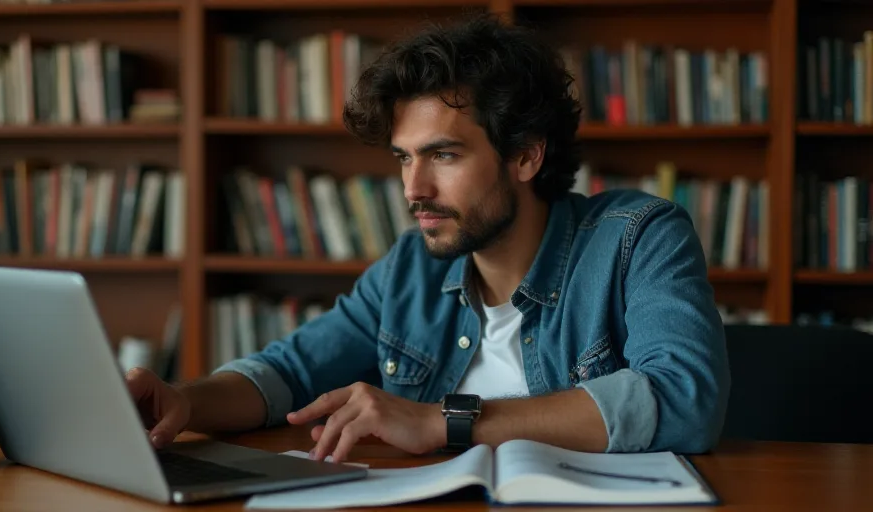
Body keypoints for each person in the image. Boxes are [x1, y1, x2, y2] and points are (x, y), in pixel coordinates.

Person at [125, 13, 730, 463]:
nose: (414, 188)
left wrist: (446, 420)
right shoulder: (410, 266)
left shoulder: (638, 237)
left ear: (524, 155)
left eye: (443, 154)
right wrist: (185, 401)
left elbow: (683, 399)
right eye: (403, 158)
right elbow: (289, 371)